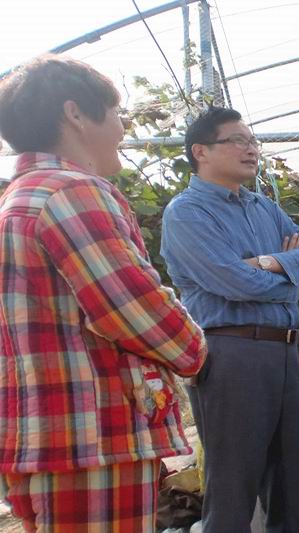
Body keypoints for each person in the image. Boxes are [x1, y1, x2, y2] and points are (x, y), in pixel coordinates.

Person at [0, 55, 207, 531]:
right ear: (75, 113)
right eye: (116, 113)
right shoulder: (71, 191)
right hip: (92, 435)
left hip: (46, 433)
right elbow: (135, 310)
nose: (122, 128)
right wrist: (196, 349)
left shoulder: (19, 196)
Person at [160, 107, 299, 532]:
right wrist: (290, 278)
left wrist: (268, 262)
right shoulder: (187, 213)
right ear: (200, 151)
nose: (251, 149)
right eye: (237, 140)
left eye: (253, 141)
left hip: (283, 350)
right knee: (233, 481)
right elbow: (236, 282)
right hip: (231, 351)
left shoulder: (263, 207)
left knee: (294, 477)